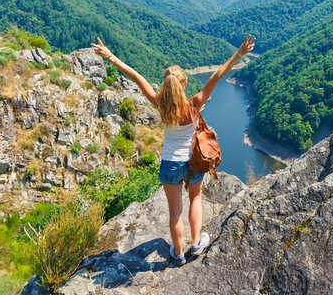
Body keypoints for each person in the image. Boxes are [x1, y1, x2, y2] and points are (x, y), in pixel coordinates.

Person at [91, 35, 256, 266]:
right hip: (193, 162)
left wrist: (110, 57)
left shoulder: (159, 103)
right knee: (196, 198)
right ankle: (196, 244)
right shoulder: (194, 104)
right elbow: (217, 75)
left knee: (175, 211)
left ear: (166, 86)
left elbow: (136, 76)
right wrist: (239, 54)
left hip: (170, 165)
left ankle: (177, 254)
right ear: (185, 84)